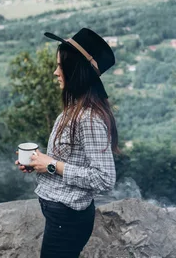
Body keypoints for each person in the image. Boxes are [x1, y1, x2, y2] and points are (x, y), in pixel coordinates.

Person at [14, 28, 119, 258]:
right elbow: (68, 160)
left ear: (75, 71)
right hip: (61, 216)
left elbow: (104, 178)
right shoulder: (75, 109)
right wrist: (38, 163)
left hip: (68, 219)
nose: (55, 72)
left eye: (60, 66)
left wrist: (51, 165)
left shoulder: (88, 118)